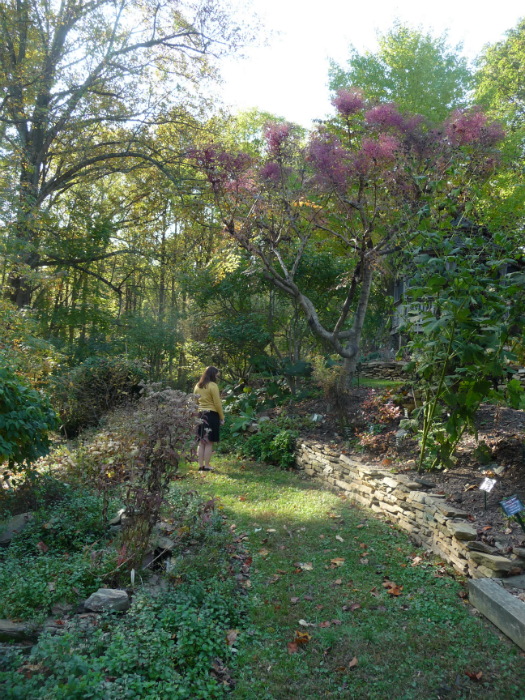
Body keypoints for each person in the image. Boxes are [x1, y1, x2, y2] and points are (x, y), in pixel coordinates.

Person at [194, 366, 224, 472]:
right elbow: (217, 403)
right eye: (216, 374)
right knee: (209, 442)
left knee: (201, 442)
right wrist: (222, 417)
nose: (217, 376)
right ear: (212, 374)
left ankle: (200, 465)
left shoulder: (198, 385)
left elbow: (195, 402)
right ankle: (206, 466)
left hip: (200, 415)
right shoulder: (213, 386)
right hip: (211, 415)